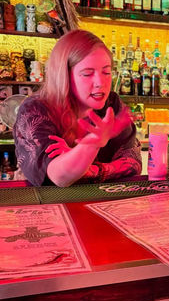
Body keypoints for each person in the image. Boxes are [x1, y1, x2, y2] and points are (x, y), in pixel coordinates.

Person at [13, 29, 142, 187]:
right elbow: (59, 177)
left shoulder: (111, 104)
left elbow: (133, 165)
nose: (100, 82)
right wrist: (91, 145)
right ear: (64, 76)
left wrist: (82, 165)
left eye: (106, 72)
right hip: (46, 206)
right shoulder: (36, 109)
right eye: (88, 74)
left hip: (102, 202)